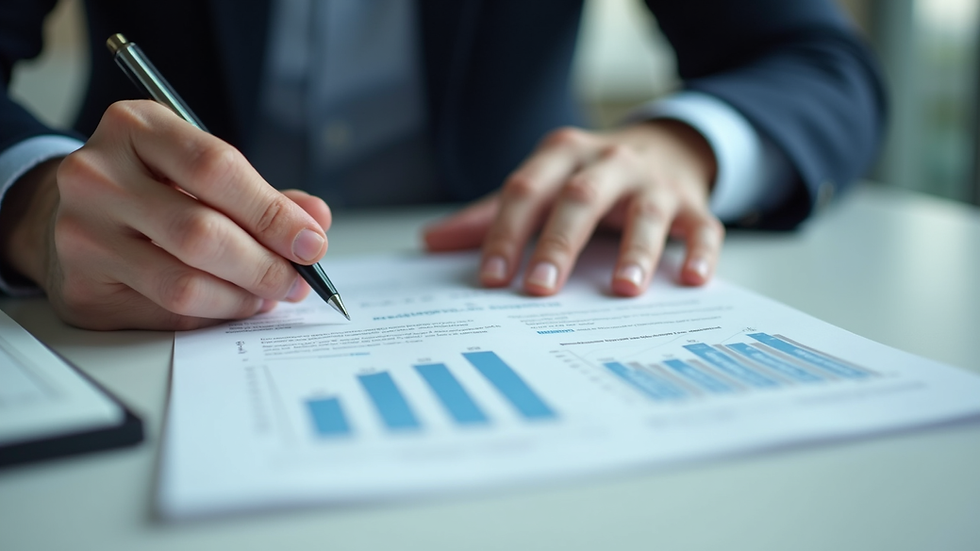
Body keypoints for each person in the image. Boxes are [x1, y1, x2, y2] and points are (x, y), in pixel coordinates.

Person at [0, 0, 885, 330]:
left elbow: (819, 61)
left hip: (511, 261)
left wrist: (681, 145)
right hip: (115, 309)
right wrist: (32, 194)